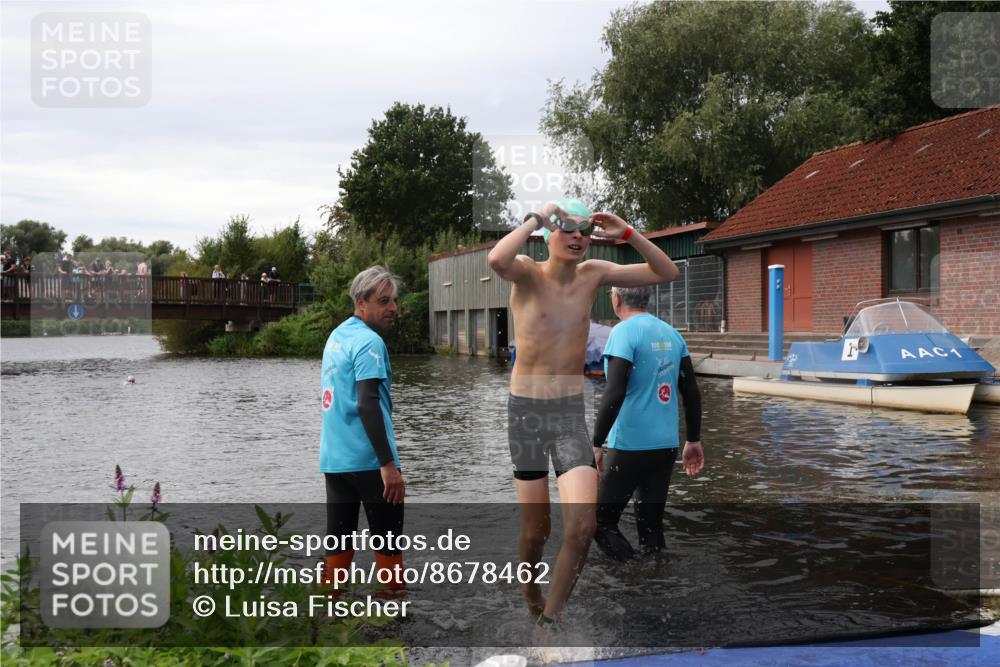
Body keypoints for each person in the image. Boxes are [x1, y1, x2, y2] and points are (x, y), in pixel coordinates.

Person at [486, 197, 679, 629]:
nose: (577, 238)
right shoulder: (527, 272)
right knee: (537, 532)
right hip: (527, 417)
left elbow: (668, 271)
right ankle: (531, 593)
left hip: (569, 414)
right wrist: (536, 216)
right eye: (568, 229)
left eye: (584, 232)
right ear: (548, 234)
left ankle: (549, 624)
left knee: (583, 526)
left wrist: (626, 232)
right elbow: (496, 257)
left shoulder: (593, 275)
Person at [591, 286, 705, 561]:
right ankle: (654, 578)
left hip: (630, 446)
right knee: (651, 526)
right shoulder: (672, 333)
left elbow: (615, 391)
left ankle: (633, 573)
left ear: (617, 299)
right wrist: (693, 440)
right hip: (665, 446)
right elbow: (690, 392)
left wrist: (596, 443)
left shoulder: (623, 332)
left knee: (600, 523)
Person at [319, 265, 406, 592]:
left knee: (338, 543)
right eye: (384, 301)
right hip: (372, 464)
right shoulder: (370, 343)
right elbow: (367, 403)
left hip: (335, 462)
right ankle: (395, 627)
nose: (393, 308)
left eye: (394, 301)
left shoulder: (337, 336)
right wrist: (388, 465)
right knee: (388, 548)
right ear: (361, 301)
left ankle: (323, 621)